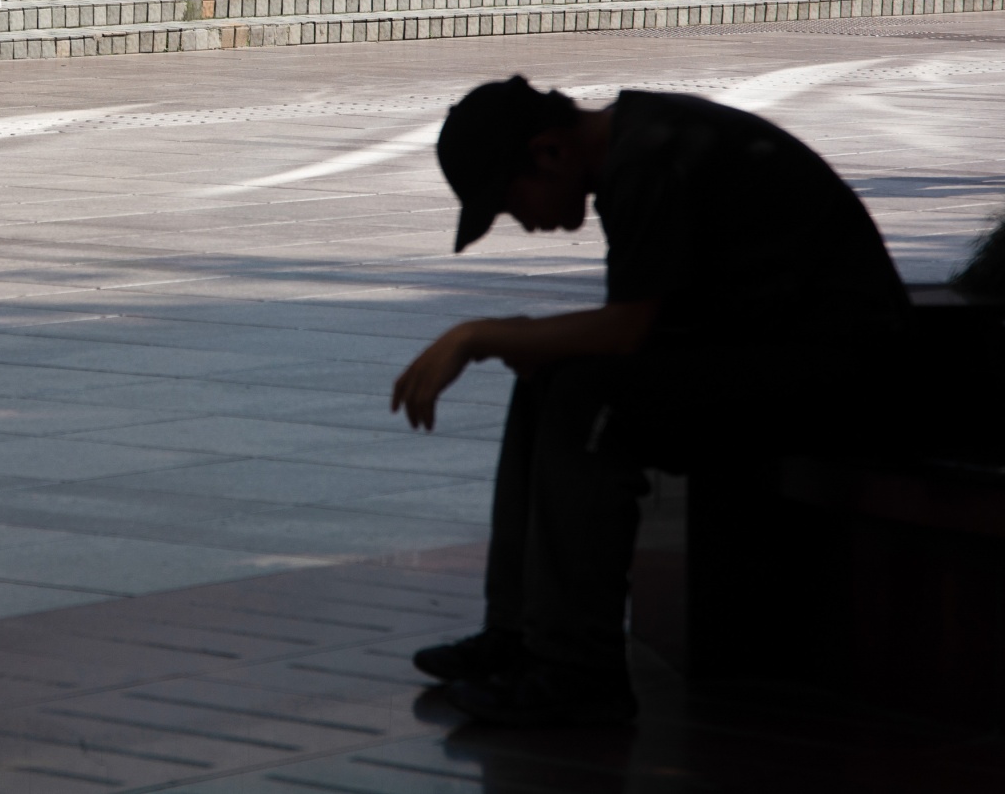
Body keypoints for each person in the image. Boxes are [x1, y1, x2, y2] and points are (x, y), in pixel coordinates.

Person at [390, 76, 911, 727]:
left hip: (842, 375)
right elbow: (642, 323)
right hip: (779, 352)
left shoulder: (648, 157)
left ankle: (578, 666)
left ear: (549, 151)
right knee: (551, 377)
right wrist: (520, 341)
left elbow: (628, 328)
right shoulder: (639, 140)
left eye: (510, 201)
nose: (522, 222)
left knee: (587, 398)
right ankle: (520, 631)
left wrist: (479, 334)